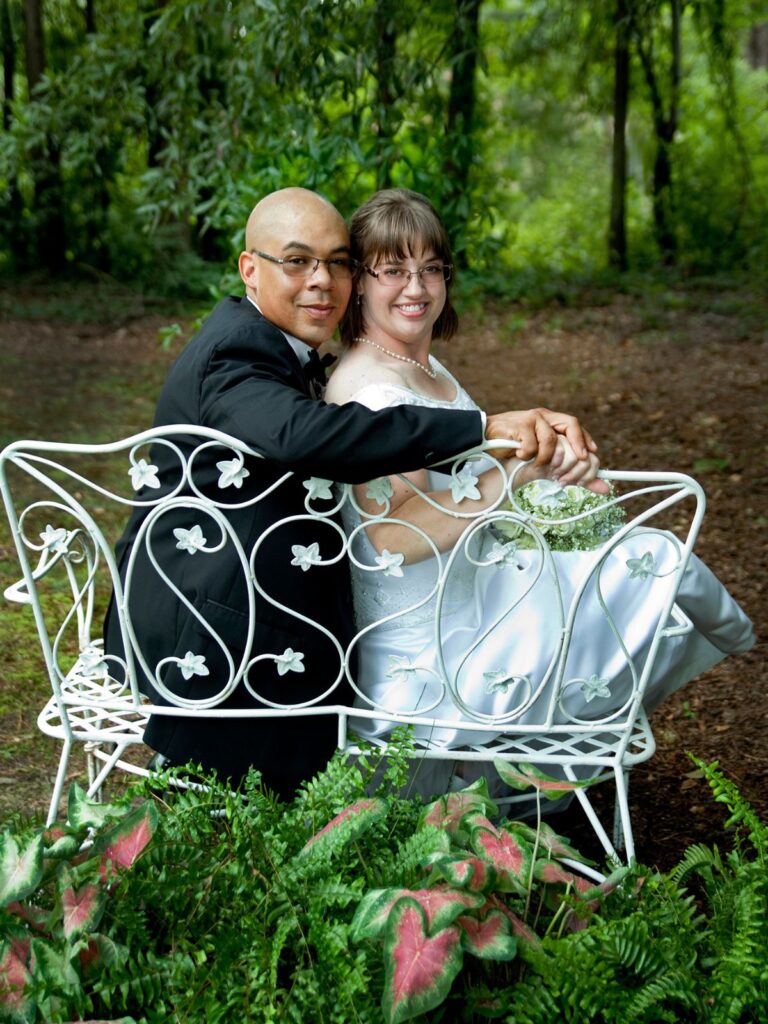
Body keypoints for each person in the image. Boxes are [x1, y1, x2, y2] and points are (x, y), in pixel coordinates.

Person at [104, 186, 599, 798]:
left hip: (265, 585)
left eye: (337, 261)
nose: (321, 280)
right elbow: (310, 435)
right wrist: (486, 429)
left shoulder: (285, 347)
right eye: (297, 261)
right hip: (213, 615)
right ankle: (203, 782)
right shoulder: (236, 350)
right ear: (249, 269)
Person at [325, 188, 755, 775]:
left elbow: (473, 470)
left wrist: (555, 480)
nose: (416, 288)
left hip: (478, 590)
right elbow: (396, 534)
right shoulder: (368, 390)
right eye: (393, 270)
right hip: (441, 643)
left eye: (431, 269)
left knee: (631, 559)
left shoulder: (422, 366)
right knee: (644, 564)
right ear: (360, 282)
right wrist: (517, 473)